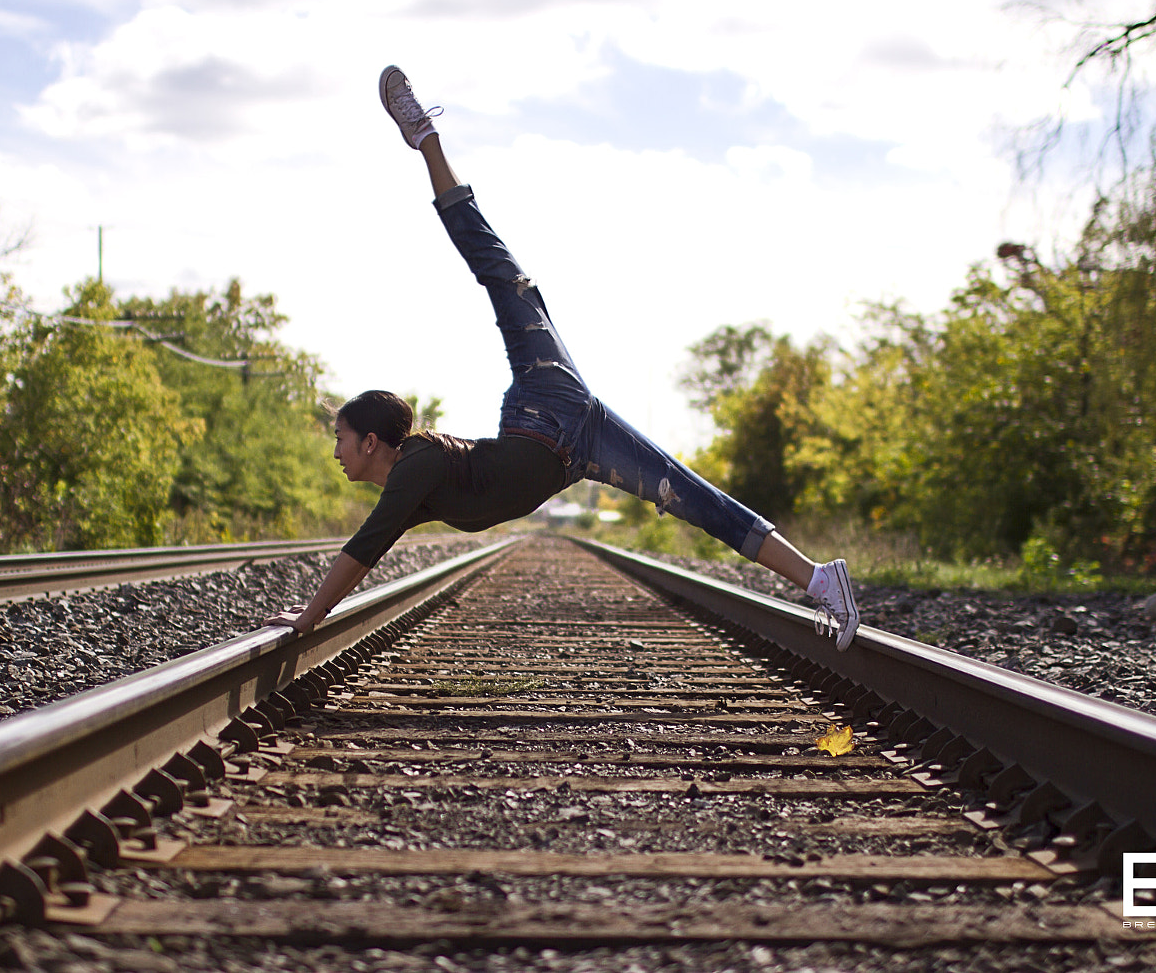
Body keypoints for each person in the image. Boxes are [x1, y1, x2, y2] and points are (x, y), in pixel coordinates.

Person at [264, 66, 861, 650]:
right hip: (580, 447)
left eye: (339, 436)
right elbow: (368, 550)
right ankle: (819, 579)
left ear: (372, 442)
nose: (335, 450)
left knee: (503, 277)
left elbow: (362, 548)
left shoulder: (414, 465)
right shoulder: (411, 487)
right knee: (693, 498)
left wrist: (310, 617)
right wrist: (318, 609)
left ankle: (426, 141)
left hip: (545, 401)